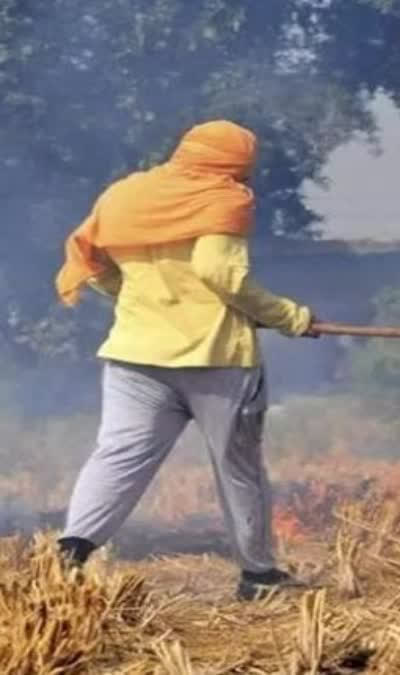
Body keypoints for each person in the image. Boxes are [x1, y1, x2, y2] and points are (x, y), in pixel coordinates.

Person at [53, 120, 318, 600]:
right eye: (243, 168)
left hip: (134, 355)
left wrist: (138, 296)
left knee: (118, 456)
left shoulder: (125, 195)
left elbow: (92, 265)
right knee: (238, 467)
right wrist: (288, 316)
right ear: (230, 165)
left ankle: (70, 551)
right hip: (215, 359)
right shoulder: (224, 198)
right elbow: (222, 274)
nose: (245, 179)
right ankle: (258, 576)